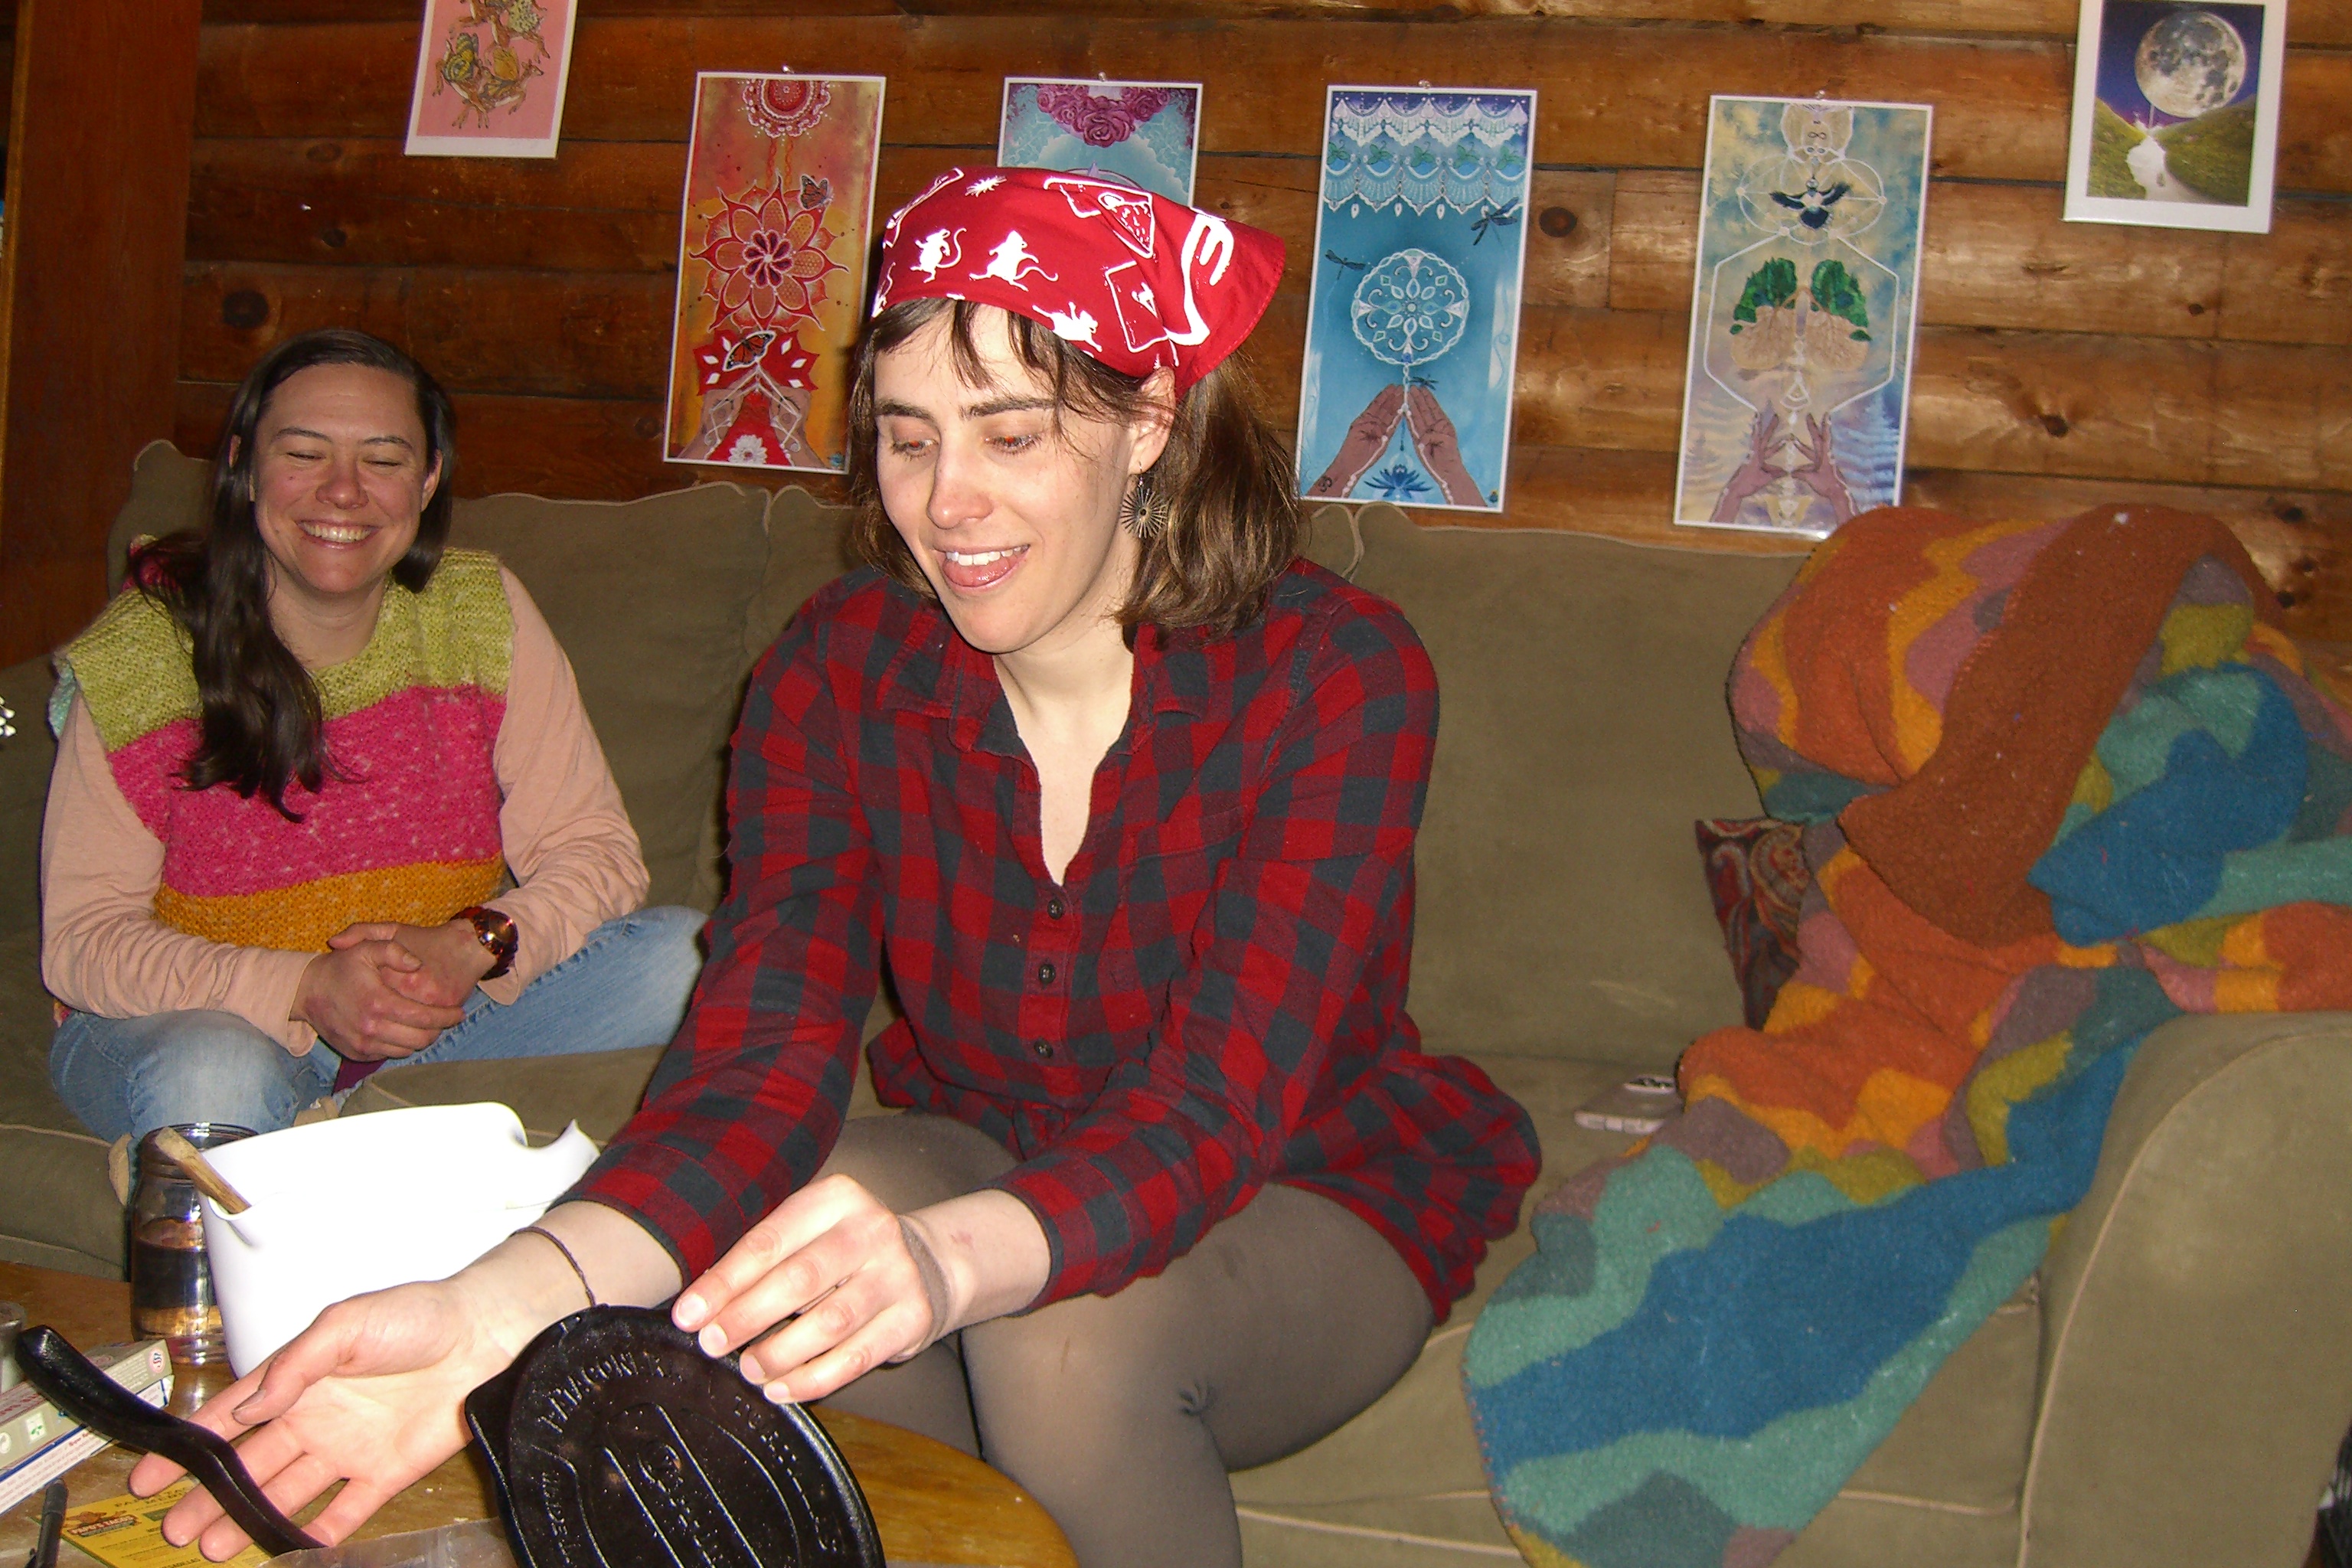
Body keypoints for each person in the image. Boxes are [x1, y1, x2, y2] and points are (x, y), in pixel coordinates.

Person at [132, 173, 1538, 1567]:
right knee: (766, 1266)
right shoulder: (837, 671)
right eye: (908, 437)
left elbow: (1214, 1101)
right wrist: (498, 1313)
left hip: (1298, 1180)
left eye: (1011, 434)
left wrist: (940, 1262)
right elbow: (753, 1062)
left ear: (1149, 420)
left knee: (1059, 1334)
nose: (948, 504)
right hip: (982, 1132)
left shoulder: (1331, 670)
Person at [43, 328, 704, 1145]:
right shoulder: (143, 651)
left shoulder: (480, 613)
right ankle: (305, 1162)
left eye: (384, 459)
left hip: (433, 1020)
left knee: (689, 958)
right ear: (246, 467)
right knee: (214, 1072)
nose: (343, 491)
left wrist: (473, 945)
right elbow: (82, 942)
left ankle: (337, 1132)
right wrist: (308, 984)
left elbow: (596, 849)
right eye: (306, 453)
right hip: (204, 1020)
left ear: (427, 481)